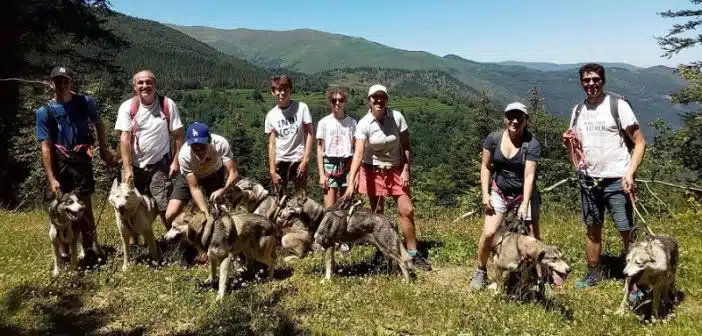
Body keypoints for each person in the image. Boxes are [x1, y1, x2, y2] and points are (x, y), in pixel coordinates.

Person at [563, 63, 646, 289]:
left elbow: (640, 142)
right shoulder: (578, 110)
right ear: (581, 83)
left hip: (617, 179)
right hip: (588, 180)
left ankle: (636, 282)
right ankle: (593, 273)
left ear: (603, 81)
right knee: (592, 229)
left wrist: (630, 173)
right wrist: (569, 142)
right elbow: (577, 143)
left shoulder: (617, 105)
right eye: (586, 80)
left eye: (595, 79)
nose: (591, 84)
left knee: (626, 230)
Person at [342, 84, 432, 271]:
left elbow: (406, 145)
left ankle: (413, 253)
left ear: (386, 100)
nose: (378, 100)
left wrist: (406, 168)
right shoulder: (364, 123)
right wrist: (351, 182)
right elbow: (358, 155)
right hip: (372, 170)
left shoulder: (397, 118)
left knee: (406, 210)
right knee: (377, 214)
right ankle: (383, 252)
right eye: (375, 97)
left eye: (382, 97)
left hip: (396, 169)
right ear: (369, 101)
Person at [35, 65, 115, 264]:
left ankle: (88, 249)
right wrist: (51, 177)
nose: (62, 84)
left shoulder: (85, 103)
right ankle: (63, 253)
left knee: (84, 206)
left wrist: (104, 150)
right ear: (51, 83)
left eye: (66, 80)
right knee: (58, 206)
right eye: (58, 81)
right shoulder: (44, 112)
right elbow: (45, 145)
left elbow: (99, 123)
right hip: (59, 161)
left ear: (71, 82)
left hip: (81, 161)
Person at [470, 102, 541, 290]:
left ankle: (538, 277)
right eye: (511, 116)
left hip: (524, 194)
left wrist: (525, 204)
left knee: (533, 237)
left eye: (520, 117)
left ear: (526, 120)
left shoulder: (531, 143)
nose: (515, 121)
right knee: (489, 233)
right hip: (500, 191)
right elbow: (485, 166)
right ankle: (480, 270)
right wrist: (485, 194)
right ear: (505, 119)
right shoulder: (493, 139)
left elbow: (529, 175)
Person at [115, 69, 184, 231]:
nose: (145, 86)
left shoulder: (167, 105)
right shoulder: (127, 108)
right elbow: (125, 138)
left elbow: (179, 135)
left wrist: (176, 162)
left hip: (159, 163)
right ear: (134, 86)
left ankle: (175, 238)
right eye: (140, 83)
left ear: (155, 85)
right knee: (130, 204)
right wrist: (127, 167)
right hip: (134, 164)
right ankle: (135, 242)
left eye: (149, 82)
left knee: (163, 203)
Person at [165, 122, 240, 227]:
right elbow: (194, 188)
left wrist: (223, 190)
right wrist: (206, 215)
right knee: (170, 214)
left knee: (220, 213)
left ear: (209, 141)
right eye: (194, 148)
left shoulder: (221, 144)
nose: (199, 151)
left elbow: (234, 173)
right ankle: (179, 236)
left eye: (202, 147)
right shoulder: (184, 155)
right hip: (191, 176)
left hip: (214, 173)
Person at [264, 75, 314, 196]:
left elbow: (310, 133)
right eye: (278, 90)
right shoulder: (271, 115)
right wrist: (272, 170)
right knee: (279, 198)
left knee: (301, 197)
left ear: (290, 90)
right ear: (273, 92)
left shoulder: (302, 108)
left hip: (298, 159)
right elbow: (272, 143)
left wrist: (305, 159)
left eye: (285, 90)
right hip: (281, 161)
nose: (282, 93)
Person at [316, 87, 357, 208]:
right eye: (334, 100)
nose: (337, 103)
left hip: (347, 164)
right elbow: (319, 149)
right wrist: (322, 174)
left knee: (346, 207)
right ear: (330, 102)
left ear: (345, 102)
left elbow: (357, 149)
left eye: (340, 100)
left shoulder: (353, 123)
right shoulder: (323, 123)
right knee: (329, 210)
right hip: (329, 164)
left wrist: (356, 174)